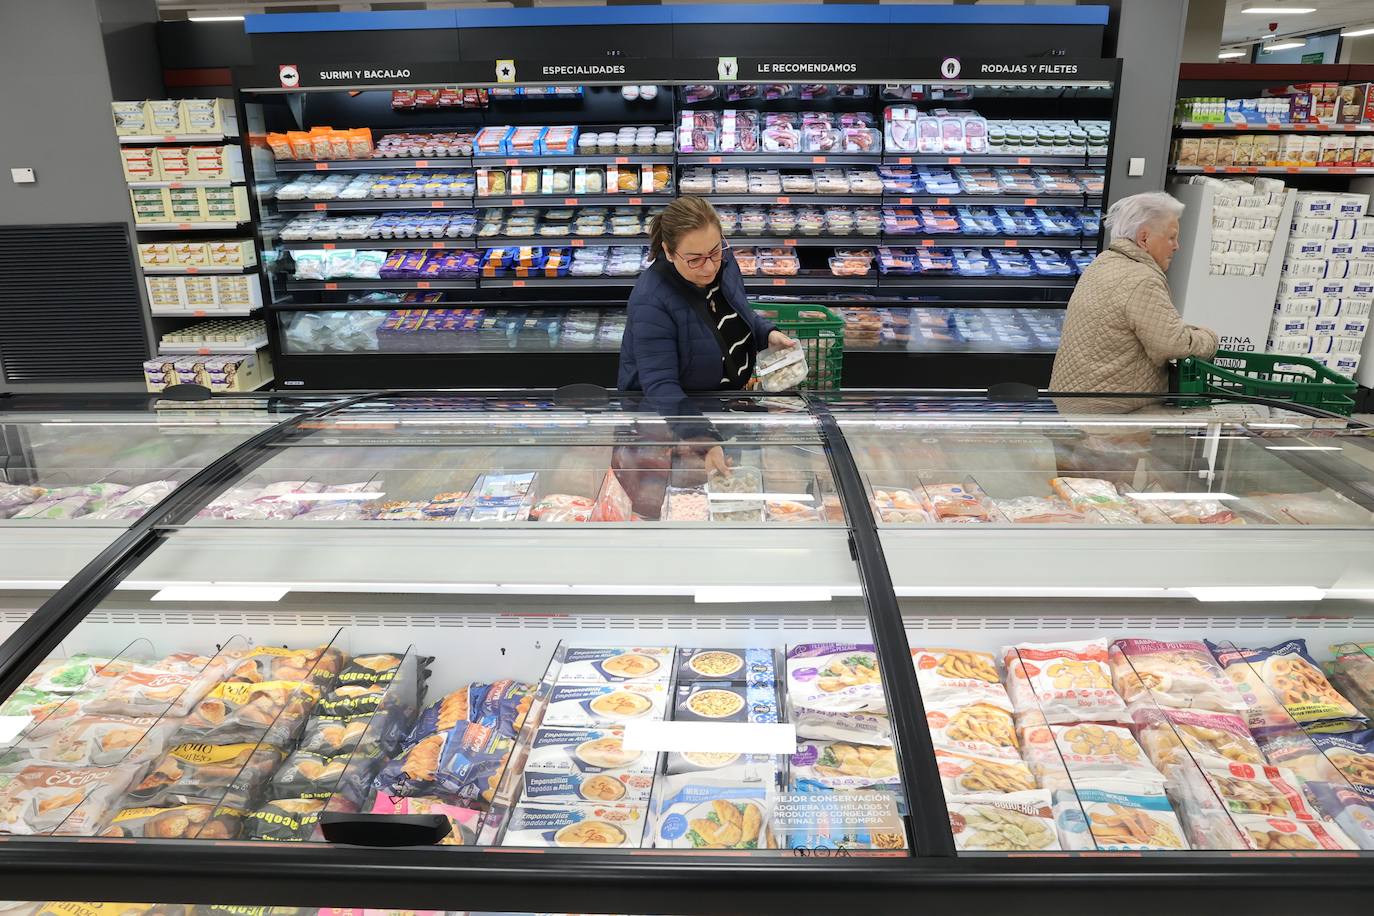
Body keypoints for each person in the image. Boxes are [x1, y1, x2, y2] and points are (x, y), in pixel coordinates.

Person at [618, 196, 797, 475]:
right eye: (695, 259)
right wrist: (702, 438)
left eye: (714, 252)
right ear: (668, 251)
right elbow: (660, 386)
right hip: (675, 424)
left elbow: (736, 311)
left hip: (724, 407)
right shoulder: (651, 299)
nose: (709, 267)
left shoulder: (722, 261)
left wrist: (766, 333)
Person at [1049, 191, 1219, 413]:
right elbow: (1172, 343)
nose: (1176, 246)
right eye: (1171, 237)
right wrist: (1210, 338)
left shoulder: (1103, 263)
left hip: (1072, 400)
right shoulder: (1142, 279)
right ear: (1144, 238)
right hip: (1112, 412)